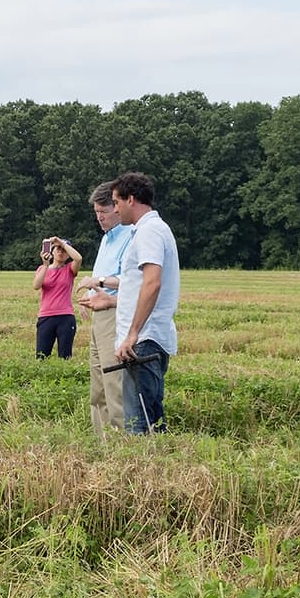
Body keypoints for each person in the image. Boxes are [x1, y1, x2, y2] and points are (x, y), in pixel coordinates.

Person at [110, 172, 180, 434]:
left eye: (116, 202)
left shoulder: (149, 231)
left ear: (131, 199)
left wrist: (132, 334)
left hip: (144, 341)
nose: (115, 210)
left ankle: (144, 472)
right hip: (146, 338)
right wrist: (109, 300)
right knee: (150, 417)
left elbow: (152, 283)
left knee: (140, 423)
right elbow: (139, 283)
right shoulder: (151, 229)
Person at [78, 183, 132, 435]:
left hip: (115, 314)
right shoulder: (105, 240)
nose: (99, 217)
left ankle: (121, 439)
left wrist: (97, 283)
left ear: (117, 208)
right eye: (96, 212)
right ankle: (101, 440)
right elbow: (101, 276)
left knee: (114, 382)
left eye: (104, 211)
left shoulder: (130, 237)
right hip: (98, 315)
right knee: (97, 385)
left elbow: (130, 282)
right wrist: (89, 297)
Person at [33, 235, 83, 358]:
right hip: (46, 316)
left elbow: (78, 258)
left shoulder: (69, 269)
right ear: (52, 251)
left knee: (65, 356)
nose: (60, 252)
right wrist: (45, 265)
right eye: (57, 249)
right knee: (41, 356)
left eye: (64, 250)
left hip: (65, 316)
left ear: (68, 254)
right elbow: (36, 285)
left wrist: (62, 243)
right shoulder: (42, 268)